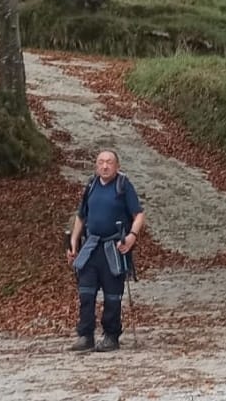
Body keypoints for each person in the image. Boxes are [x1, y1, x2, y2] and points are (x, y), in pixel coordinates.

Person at [66, 149, 145, 352]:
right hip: (91, 246)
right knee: (86, 292)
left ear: (117, 166)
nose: (105, 166)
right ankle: (85, 335)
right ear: (96, 165)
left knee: (112, 295)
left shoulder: (123, 186)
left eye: (109, 162)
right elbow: (81, 216)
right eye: (101, 162)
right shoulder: (91, 185)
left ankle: (111, 336)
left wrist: (132, 236)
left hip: (114, 247)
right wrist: (74, 241)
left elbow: (138, 215)